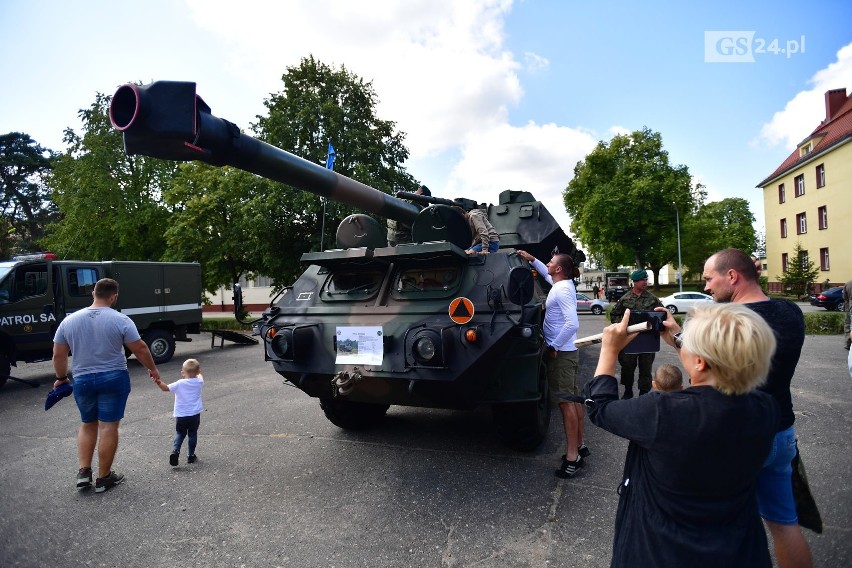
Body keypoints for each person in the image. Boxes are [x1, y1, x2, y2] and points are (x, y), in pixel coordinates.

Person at [584, 303, 779, 567]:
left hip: (662, 553)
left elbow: (600, 408)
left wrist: (609, 350)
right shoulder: (763, 407)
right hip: (739, 551)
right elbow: (710, 373)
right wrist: (679, 340)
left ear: (700, 361)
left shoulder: (664, 412)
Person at [699, 248, 813, 568]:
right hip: (781, 433)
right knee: (784, 524)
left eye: (709, 279)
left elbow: (705, 377)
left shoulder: (727, 320)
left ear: (732, 276)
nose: (706, 286)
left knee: (723, 527)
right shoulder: (791, 312)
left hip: (737, 439)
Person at [52, 278, 161, 493]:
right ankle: (103, 478)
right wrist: (153, 369)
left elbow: (58, 354)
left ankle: (84, 473)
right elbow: (139, 347)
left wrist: (61, 377)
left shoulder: (69, 321)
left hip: (82, 379)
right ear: (114, 297)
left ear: (93, 293)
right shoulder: (121, 320)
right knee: (108, 426)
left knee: (87, 424)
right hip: (113, 377)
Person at [517, 249, 587, 478]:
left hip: (563, 355)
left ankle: (571, 458)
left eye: (550, 262)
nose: (548, 263)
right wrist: (532, 259)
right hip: (568, 353)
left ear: (559, 269)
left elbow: (572, 323)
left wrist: (553, 346)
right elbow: (548, 278)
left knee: (566, 404)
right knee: (574, 401)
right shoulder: (560, 284)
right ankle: (580, 446)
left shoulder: (563, 290)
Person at [609, 269, 663, 398]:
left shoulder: (652, 299)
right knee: (627, 366)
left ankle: (644, 393)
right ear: (635, 282)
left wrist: (657, 326)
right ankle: (628, 391)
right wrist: (623, 326)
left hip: (647, 339)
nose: (645, 282)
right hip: (629, 339)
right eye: (642, 280)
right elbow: (614, 315)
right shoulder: (625, 299)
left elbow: (661, 314)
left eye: (646, 279)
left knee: (646, 368)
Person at [153, 358, 205, 466]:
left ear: (182, 372)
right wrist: (197, 372)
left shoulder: (180, 383)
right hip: (194, 415)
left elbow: (165, 388)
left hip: (181, 415)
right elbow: (200, 376)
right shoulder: (199, 381)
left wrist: (158, 381)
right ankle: (191, 455)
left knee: (180, 433)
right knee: (192, 434)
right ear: (198, 372)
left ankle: (175, 451)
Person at [844, 278, 852, 350]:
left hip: (850, 306)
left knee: (848, 325)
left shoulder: (848, 283)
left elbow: (844, 297)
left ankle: (848, 343)